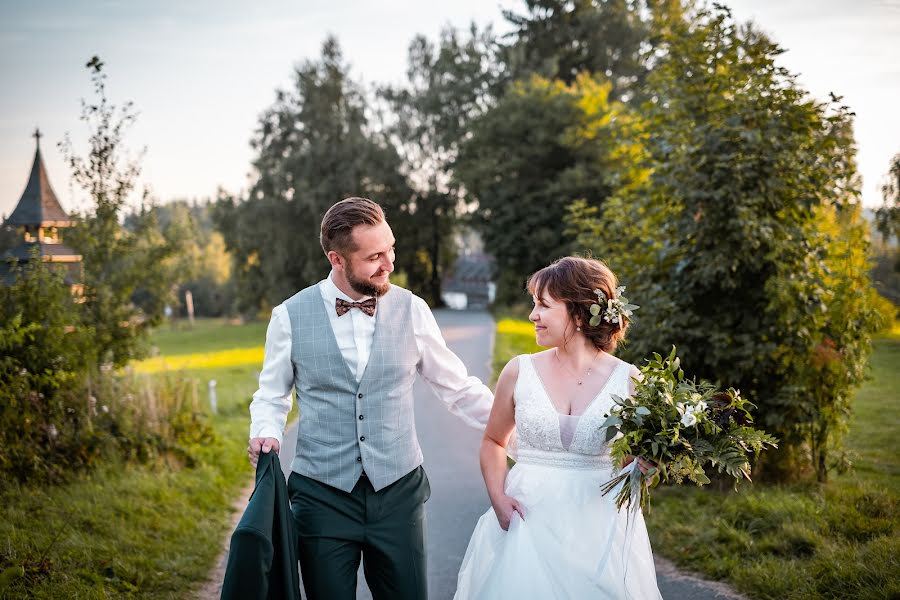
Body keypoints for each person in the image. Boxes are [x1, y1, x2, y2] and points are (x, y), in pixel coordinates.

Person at [247, 197, 494, 600]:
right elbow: (272, 394)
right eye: (375, 256)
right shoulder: (289, 316)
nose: (390, 263)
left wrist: (521, 433)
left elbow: (458, 387)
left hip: (398, 494)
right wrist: (265, 432)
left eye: (390, 248)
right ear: (337, 259)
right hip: (320, 497)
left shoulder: (413, 310)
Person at [455, 256, 663, 599]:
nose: (532, 315)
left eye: (543, 305)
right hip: (527, 520)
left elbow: (632, 464)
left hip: (597, 526)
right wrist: (498, 499)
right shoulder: (518, 371)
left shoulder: (629, 381)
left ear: (579, 314)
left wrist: (646, 466)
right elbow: (494, 440)